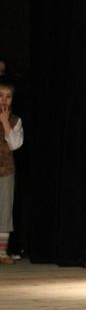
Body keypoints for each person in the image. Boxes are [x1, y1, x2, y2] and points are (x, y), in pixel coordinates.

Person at [0, 81, 23, 264]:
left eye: (8, 96)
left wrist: (5, 122)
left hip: (6, 170)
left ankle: (2, 252)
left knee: (5, 209)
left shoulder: (16, 120)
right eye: (0, 95)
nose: (4, 100)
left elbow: (15, 145)